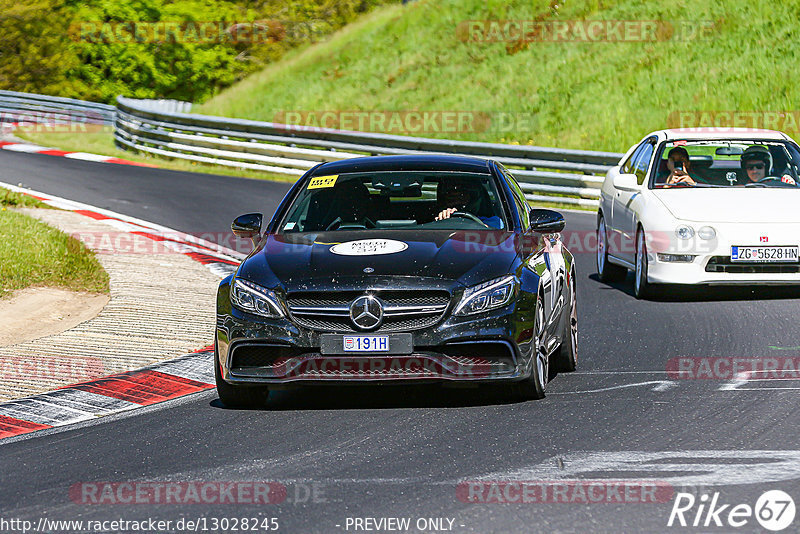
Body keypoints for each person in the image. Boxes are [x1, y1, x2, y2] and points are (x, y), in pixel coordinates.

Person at [434, 177, 503, 229]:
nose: (457, 201)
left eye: (462, 195)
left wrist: (474, 224)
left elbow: (496, 237)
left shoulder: (495, 222)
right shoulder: (429, 221)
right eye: (450, 195)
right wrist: (442, 222)